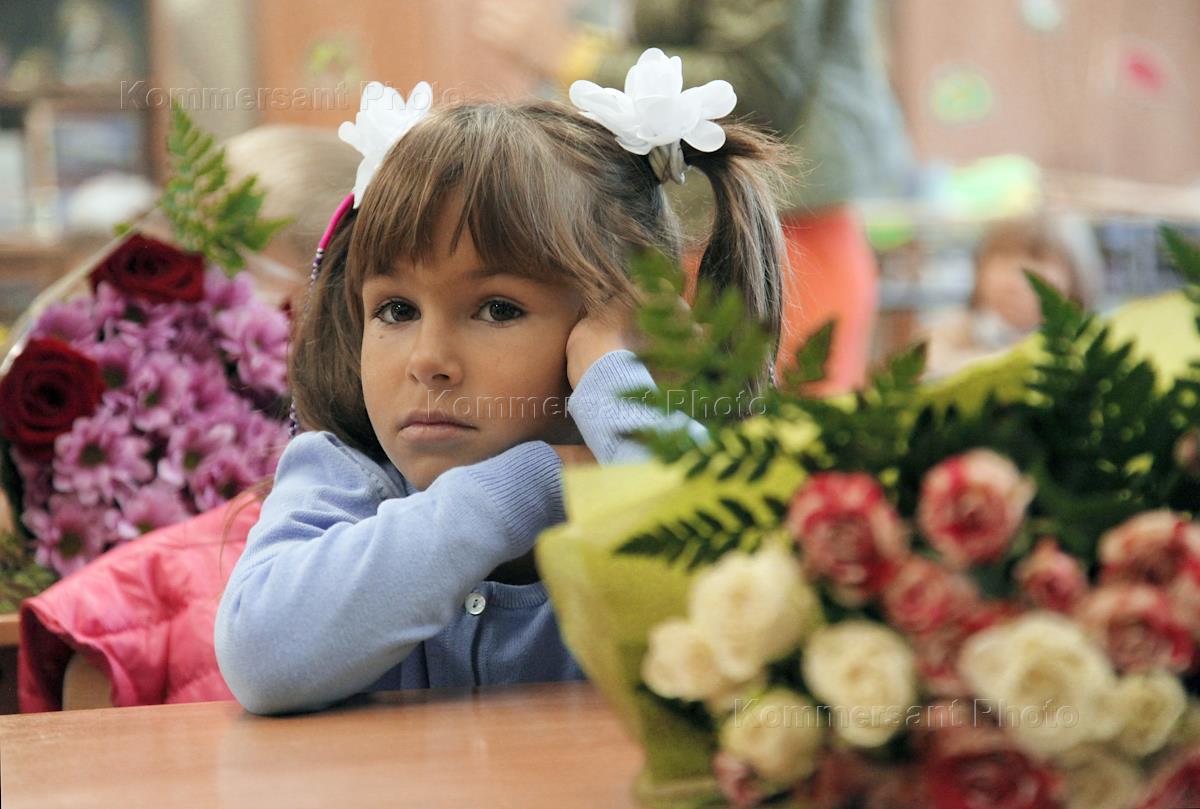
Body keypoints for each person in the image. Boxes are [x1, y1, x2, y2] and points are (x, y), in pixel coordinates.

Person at [213, 72, 788, 714]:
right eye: (397, 310)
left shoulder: (669, 468)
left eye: (497, 309)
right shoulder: (346, 477)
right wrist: (535, 482)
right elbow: (262, 657)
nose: (428, 361)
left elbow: (748, 611)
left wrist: (618, 381)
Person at [477, 0, 911, 394]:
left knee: (772, 436)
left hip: (777, 234)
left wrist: (573, 56)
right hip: (689, 228)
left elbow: (756, 83)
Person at [924, 214, 1104, 377]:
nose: (1016, 281)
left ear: (1074, 278)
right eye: (1004, 259)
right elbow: (932, 365)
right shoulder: (953, 330)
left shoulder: (1088, 342)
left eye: (1038, 261)